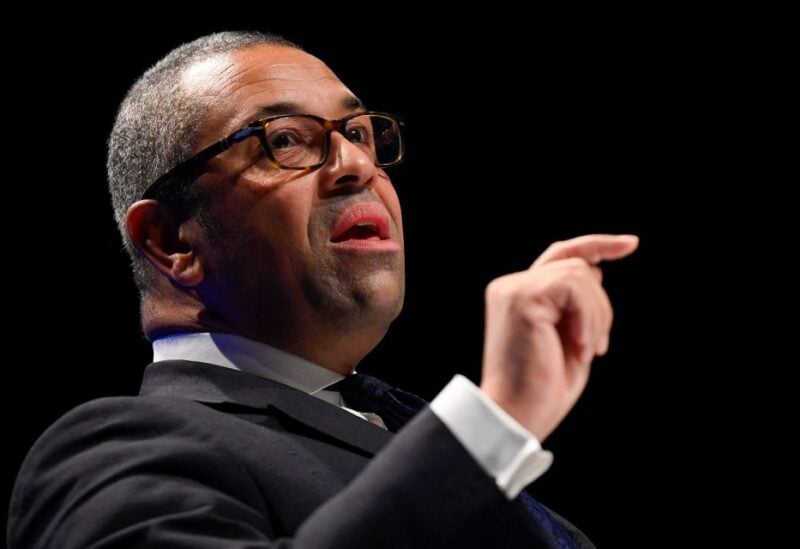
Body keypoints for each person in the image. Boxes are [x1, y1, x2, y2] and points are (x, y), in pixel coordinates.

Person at [7, 31, 638, 548]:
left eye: (359, 133)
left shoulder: (401, 432)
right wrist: (493, 422)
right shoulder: (116, 452)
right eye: (284, 141)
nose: (356, 165)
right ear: (172, 240)